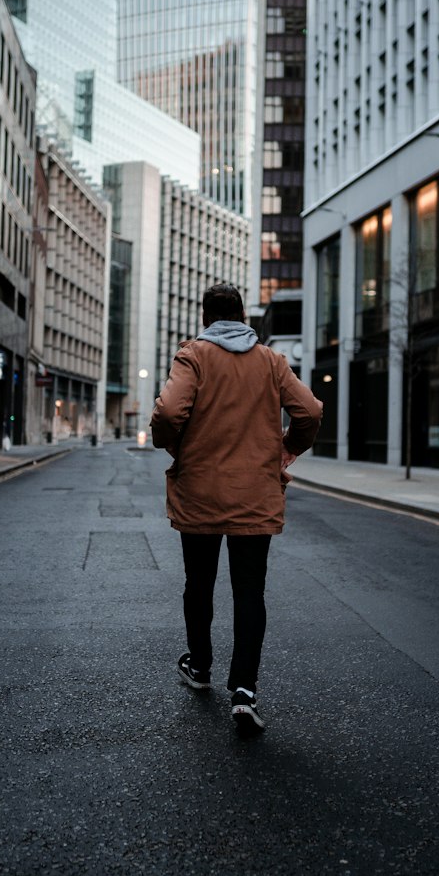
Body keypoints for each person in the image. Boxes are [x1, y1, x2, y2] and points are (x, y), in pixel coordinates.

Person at [150, 282, 322, 734]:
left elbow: (169, 413)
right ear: (243, 316)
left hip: (201, 492)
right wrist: (289, 448)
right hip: (254, 495)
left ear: (205, 316)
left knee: (199, 584)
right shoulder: (270, 361)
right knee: (250, 592)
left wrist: (176, 448)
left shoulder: (194, 355)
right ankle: (244, 691)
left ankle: (201, 667)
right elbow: (309, 410)